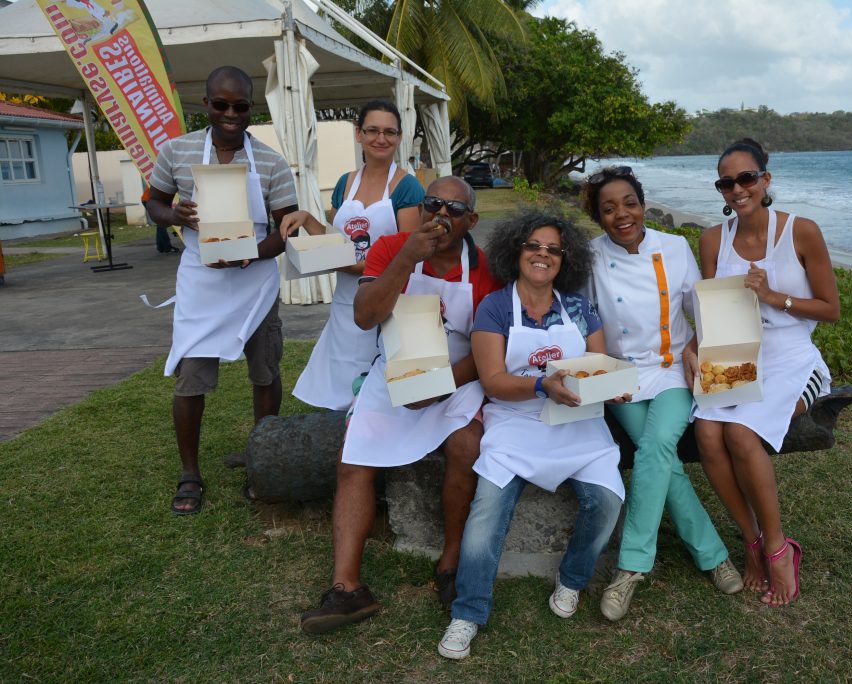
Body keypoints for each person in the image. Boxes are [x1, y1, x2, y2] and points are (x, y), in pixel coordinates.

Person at [299, 176, 501, 634]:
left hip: (456, 377)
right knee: (352, 459)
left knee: (467, 445)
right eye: (432, 204)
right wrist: (409, 257)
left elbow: (491, 351)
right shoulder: (390, 247)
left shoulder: (485, 269)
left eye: (453, 209)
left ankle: (450, 564)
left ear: (471, 220)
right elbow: (366, 314)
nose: (441, 215)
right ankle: (347, 587)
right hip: (395, 371)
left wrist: (440, 384)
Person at [438, 210, 626, 660]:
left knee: (607, 503)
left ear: (566, 259)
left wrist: (610, 388)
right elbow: (493, 380)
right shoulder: (497, 308)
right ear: (516, 251)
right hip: (515, 423)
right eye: (533, 246)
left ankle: (573, 579)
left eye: (553, 249)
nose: (542, 255)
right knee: (485, 517)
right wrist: (542, 385)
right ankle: (467, 612)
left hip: (577, 422)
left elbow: (598, 368)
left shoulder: (578, 308)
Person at [583, 167, 743, 622]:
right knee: (664, 460)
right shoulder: (591, 256)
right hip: (622, 379)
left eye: (629, 202)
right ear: (598, 216)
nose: (622, 215)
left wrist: (695, 346)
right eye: (609, 208)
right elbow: (585, 320)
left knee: (656, 446)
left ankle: (630, 567)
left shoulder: (674, 247)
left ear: (643, 202)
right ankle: (713, 555)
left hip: (673, 371)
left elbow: (700, 308)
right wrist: (598, 376)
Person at [688, 138, 839, 606]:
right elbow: (712, 310)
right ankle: (751, 540)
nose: (737, 190)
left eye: (746, 178)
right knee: (708, 433)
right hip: (733, 352)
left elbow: (831, 309)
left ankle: (777, 549)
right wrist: (693, 351)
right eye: (726, 183)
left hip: (793, 357)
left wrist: (774, 297)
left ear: (766, 179)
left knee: (739, 433)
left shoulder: (801, 232)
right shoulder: (714, 239)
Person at [145, 66, 298, 515]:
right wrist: (175, 215)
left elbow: (287, 226)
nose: (230, 114)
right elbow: (153, 203)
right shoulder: (177, 150)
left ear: (252, 107)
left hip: (255, 281)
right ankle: (189, 473)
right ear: (206, 104)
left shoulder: (270, 161)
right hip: (202, 280)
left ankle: (263, 463)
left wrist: (253, 252)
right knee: (191, 377)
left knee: (265, 370)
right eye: (220, 104)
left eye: (241, 106)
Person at [279, 100, 424, 412]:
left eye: (389, 132)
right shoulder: (345, 183)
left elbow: (409, 255)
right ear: (359, 134)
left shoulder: (407, 187)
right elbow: (337, 241)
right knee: (343, 384)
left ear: (399, 138)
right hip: (345, 302)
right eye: (372, 130)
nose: (380, 139)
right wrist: (306, 218)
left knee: (381, 391)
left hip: (388, 303)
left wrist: (349, 264)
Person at [141, 186, 179, 254]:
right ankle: (166, 247)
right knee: (162, 223)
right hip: (151, 199)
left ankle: (161, 247)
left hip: (149, 198)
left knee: (161, 224)